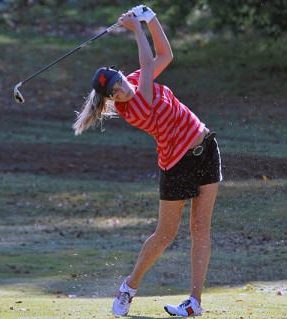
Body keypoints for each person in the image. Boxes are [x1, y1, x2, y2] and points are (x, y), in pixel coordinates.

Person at [73, 5, 222, 317]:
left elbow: (165, 56)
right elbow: (145, 62)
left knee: (201, 228)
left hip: (206, 147)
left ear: (121, 75)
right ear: (111, 100)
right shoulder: (134, 108)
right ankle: (129, 286)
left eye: (119, 82)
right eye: (115, 92)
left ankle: (194, 302)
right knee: (165, 234)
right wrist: (136, 28)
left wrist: (150, 17)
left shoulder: (137, 78)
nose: (121, 91)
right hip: (176, 163)